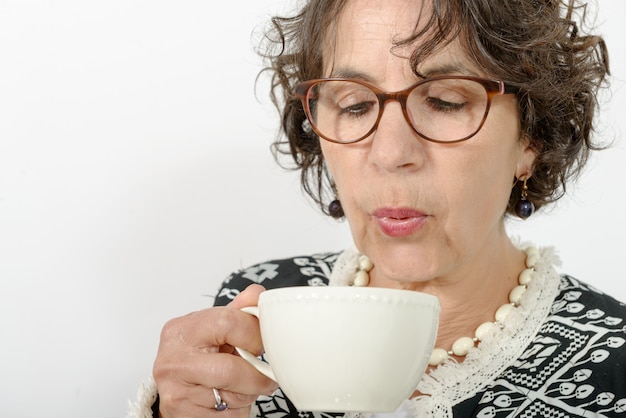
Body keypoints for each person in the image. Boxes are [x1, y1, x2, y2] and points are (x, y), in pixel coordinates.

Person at [127, 0, 626, 417]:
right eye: (353, 105)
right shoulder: (254, 314)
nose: (389, 153)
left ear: (531, 139)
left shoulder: (615, 363)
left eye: (447, 101)